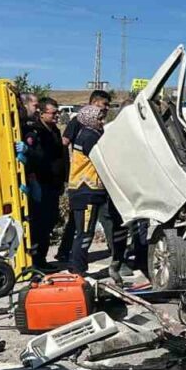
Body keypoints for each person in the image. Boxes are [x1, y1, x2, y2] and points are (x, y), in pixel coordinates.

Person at [65, 104, 124, 279]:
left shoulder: (87, 133)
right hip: (86, 191)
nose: (102, 121)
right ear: (90, 119)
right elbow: (102, 160)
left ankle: (76, 266)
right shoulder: (90, 136)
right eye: (99, 118)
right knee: (84, 233)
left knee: (83, 232)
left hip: (88, 191)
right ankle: (78, 269)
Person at [56, 90, 113, 262]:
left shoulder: (95, 130)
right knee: (82, 227)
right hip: (85, 185)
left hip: (94, 186)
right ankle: (73, 260)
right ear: (95, 103)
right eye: (104, 105)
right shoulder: (83, 128)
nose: (106, 110)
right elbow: (65, 143)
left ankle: (115, 253)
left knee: (104, 220)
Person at [22, 97, 67, 269]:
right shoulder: (34, 131)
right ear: (42, 113)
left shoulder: (54, 130)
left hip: (53, 184)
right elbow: (36, 156)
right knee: (38, 223)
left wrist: (63, 178)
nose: (56, 116)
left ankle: (41, 259)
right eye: (53, 113)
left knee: (49, 221)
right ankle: (34, 261)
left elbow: (60, 157)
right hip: (40, 183)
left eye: (58, 112)